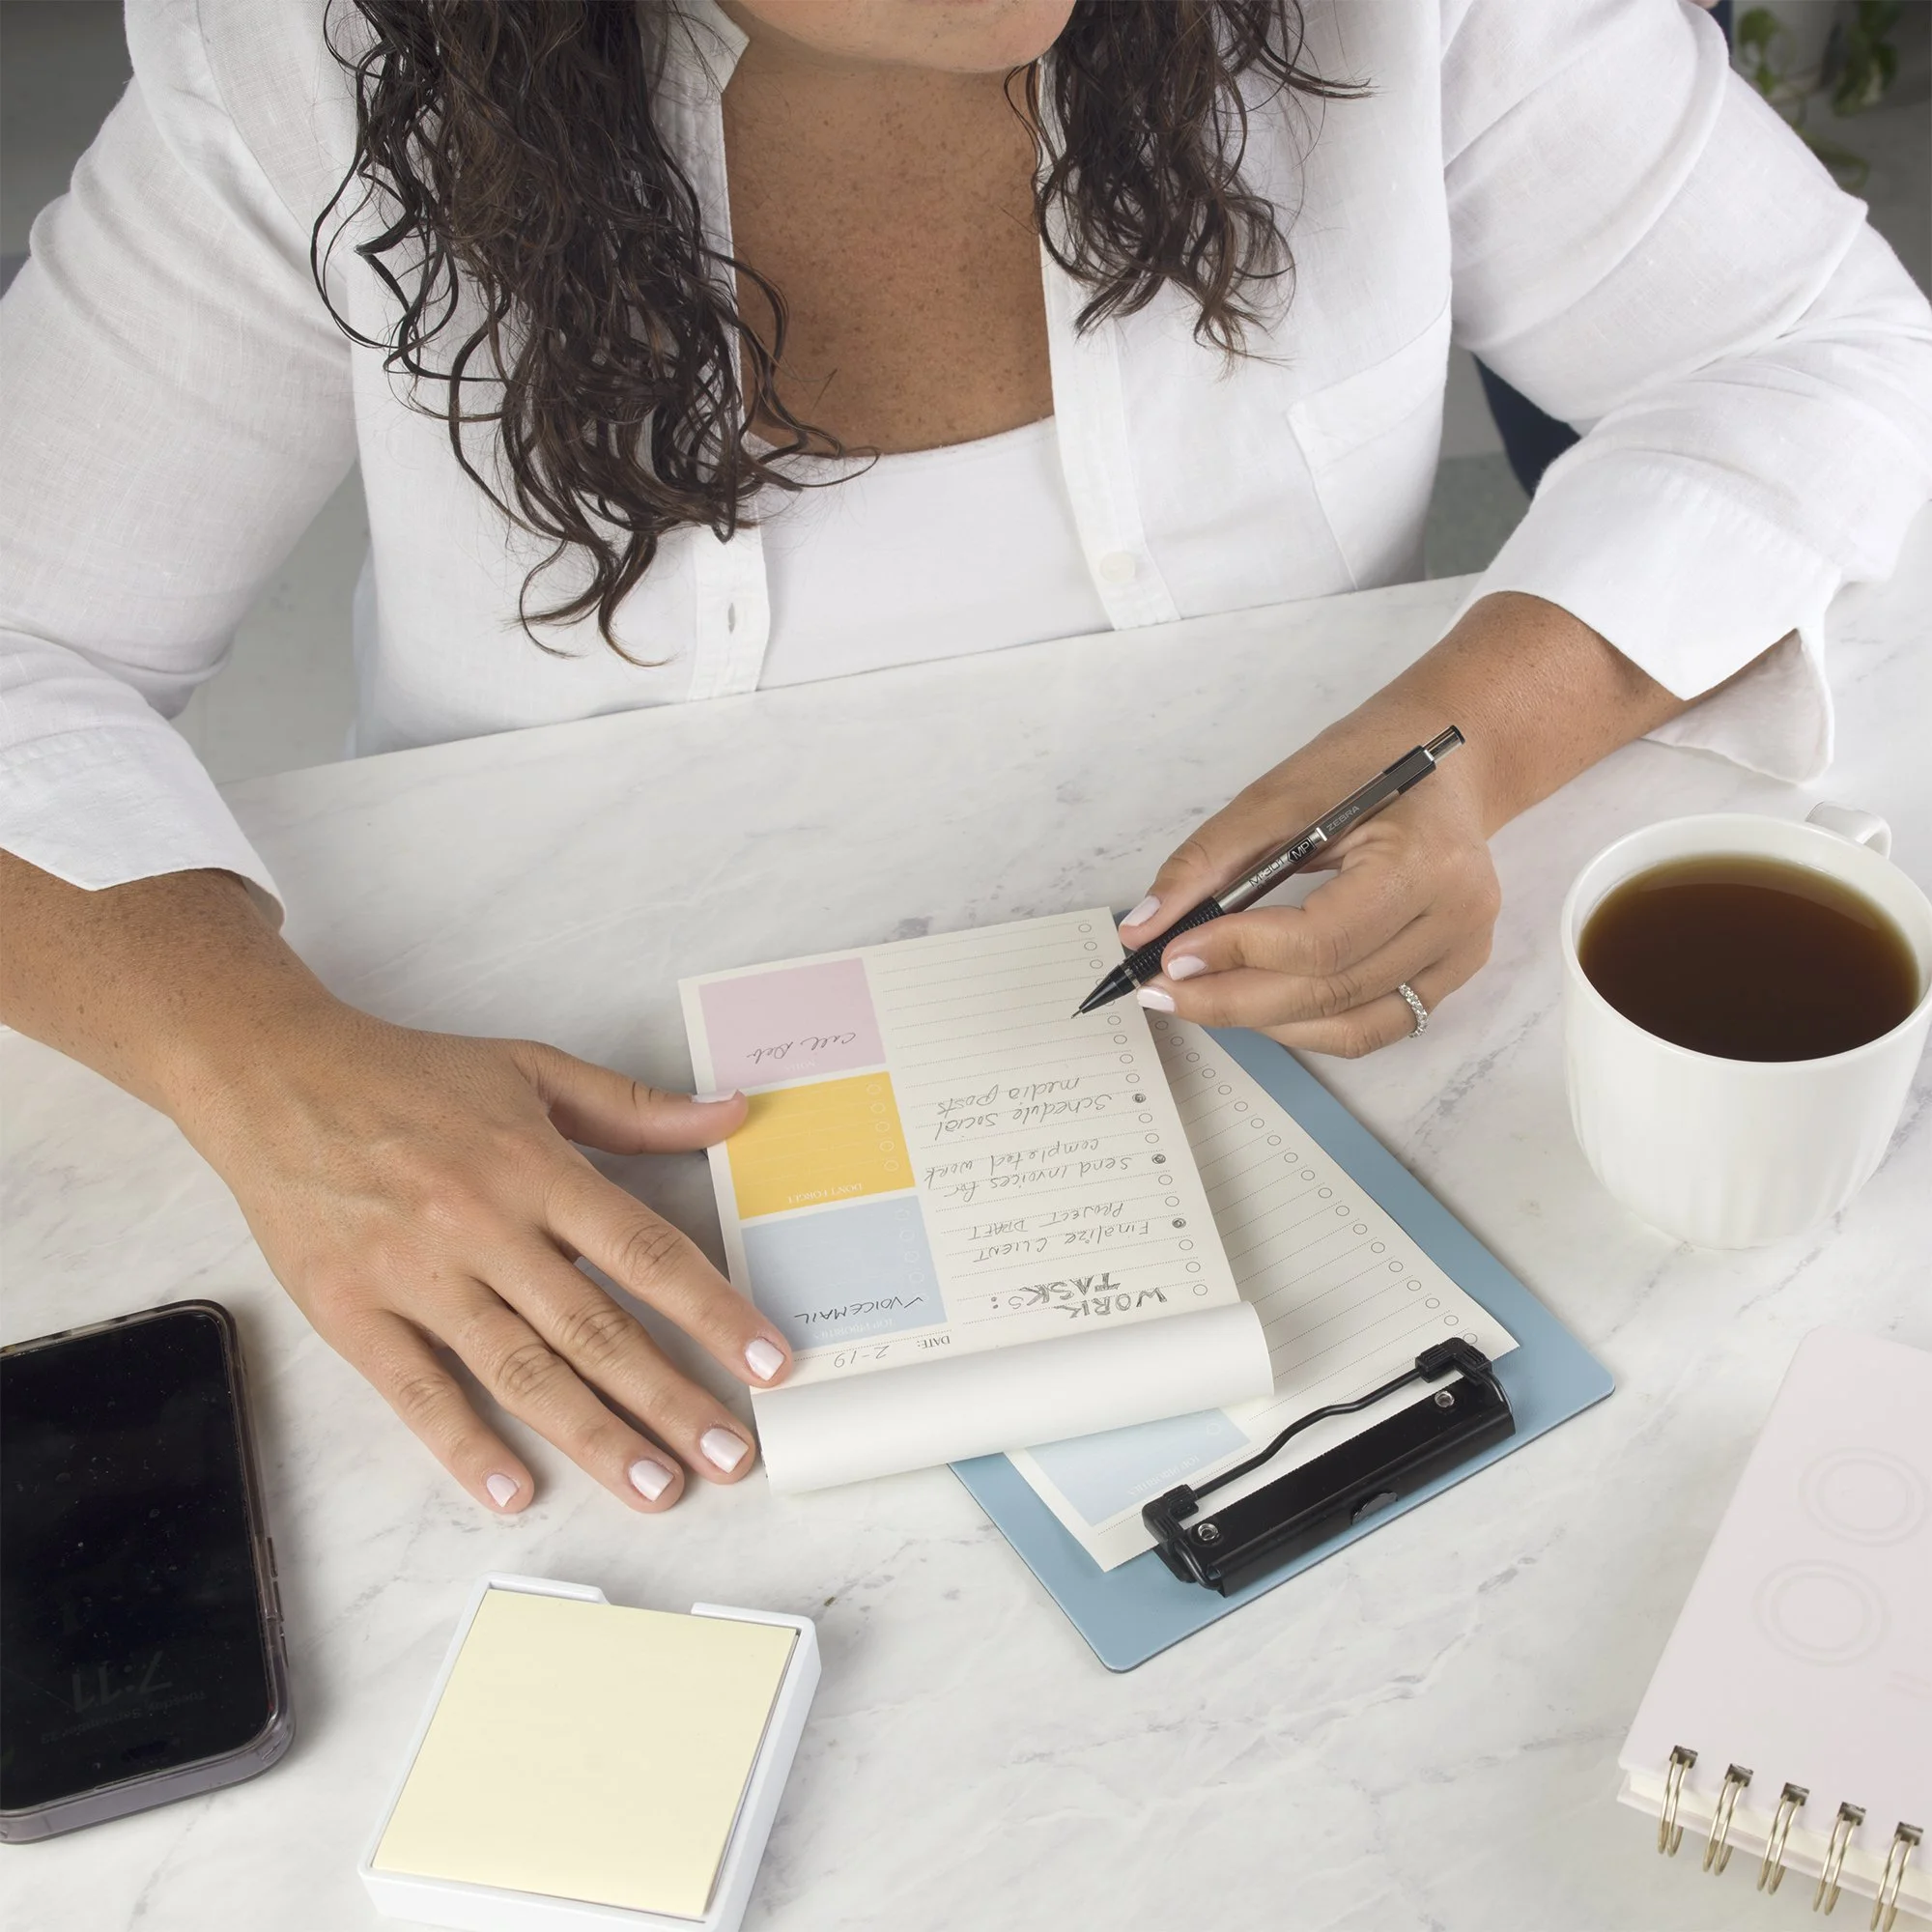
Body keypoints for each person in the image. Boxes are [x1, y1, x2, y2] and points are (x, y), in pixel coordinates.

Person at [2, 0, 1928, 1519]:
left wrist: (1460, 752)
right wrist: (267, 1075)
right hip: (547, 1136)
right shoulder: (317, 56)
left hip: (1299, 1158)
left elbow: (1815, 355)